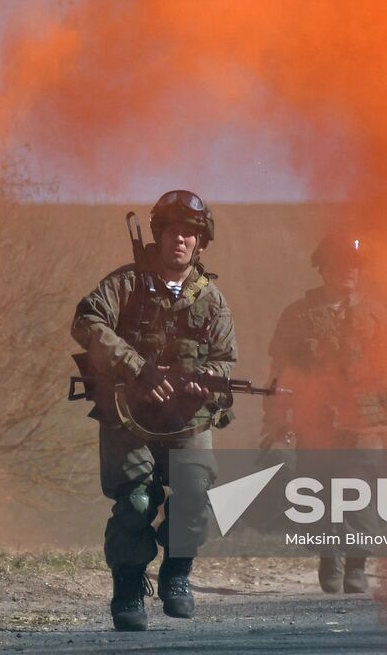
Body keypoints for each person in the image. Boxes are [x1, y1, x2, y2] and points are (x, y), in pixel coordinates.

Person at [71, 190, 236, 631]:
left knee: (195, 496)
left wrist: (204, 379)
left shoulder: (212, 300)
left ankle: (177, 572)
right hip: (129, 415)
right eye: (171, 231)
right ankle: (128, 586)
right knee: (136, 501)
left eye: (188, 233)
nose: (179, 239)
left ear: (200, 243)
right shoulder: (126, 284)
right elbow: (86, 322)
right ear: (158, 235)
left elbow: (226, 361)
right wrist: (136, 367)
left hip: (188, 419)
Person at [264, 232, 387, 595]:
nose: (350, 271)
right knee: (320, 489)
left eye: (356, 265)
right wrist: (278, 420)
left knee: (358, 486)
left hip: (364, 419)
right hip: (316, 419)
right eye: (341, 265)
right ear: (323, 269)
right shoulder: (298, 315)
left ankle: (356, 563)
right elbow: (280, 371)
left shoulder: (375, 315)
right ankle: (329, 555)